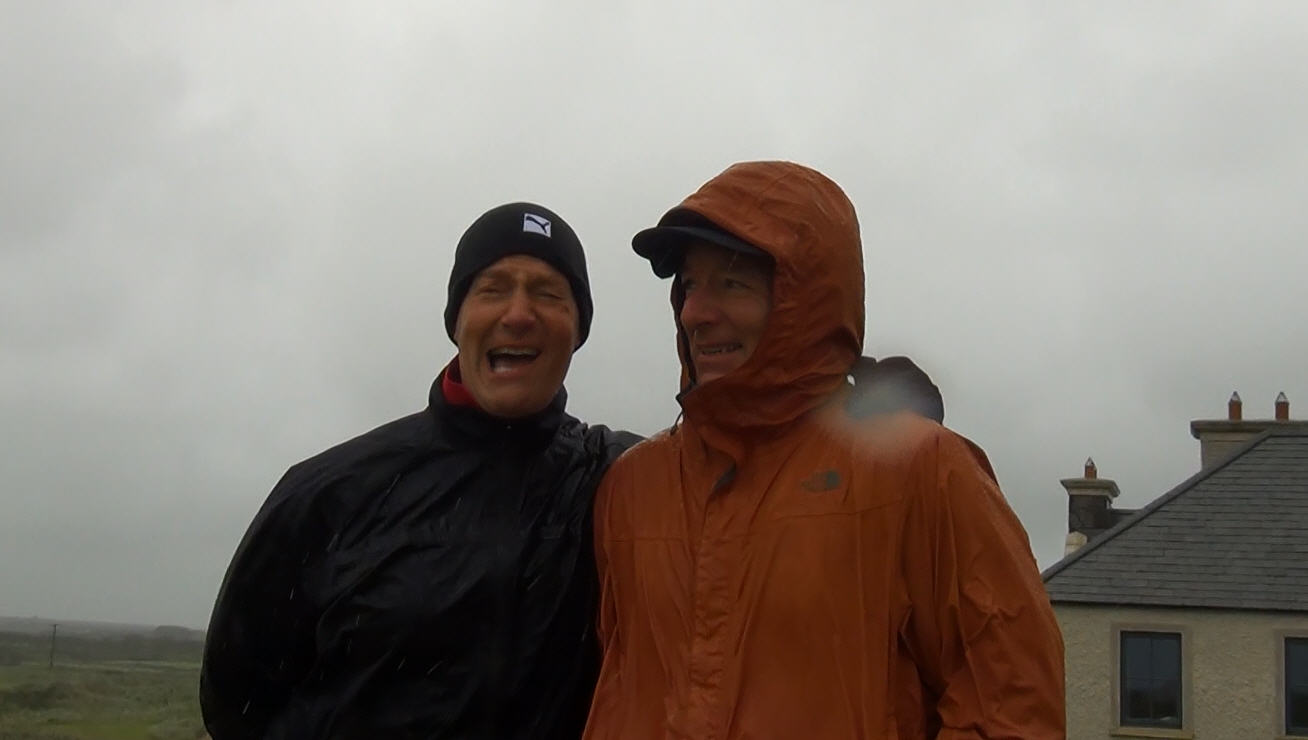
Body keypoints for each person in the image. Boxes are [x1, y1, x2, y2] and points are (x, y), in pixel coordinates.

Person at [583, 161, 1065, 739]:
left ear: (806, 300)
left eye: (732, 284)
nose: (696, 313)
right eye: (689, 285)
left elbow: (1010, 705)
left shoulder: (923, 471)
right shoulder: (633, 487)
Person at [200, 202, 638, 739]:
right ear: (457, 321)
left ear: (577, 330)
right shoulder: (329, 493)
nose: (519, 314)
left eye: (549, 294)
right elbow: (238, 704)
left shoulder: (622, 483)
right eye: (493, 289)